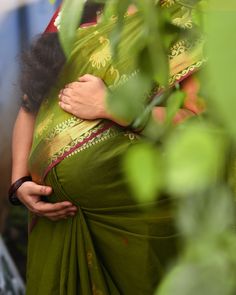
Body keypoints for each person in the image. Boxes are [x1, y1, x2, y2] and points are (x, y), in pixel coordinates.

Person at [10, 1, 205, 294]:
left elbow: (199, 125)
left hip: (135, 227)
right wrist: (19, 181)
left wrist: (115, 107)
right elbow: (30, 104)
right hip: (57, 223)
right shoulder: (74, 13)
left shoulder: (180, 21)